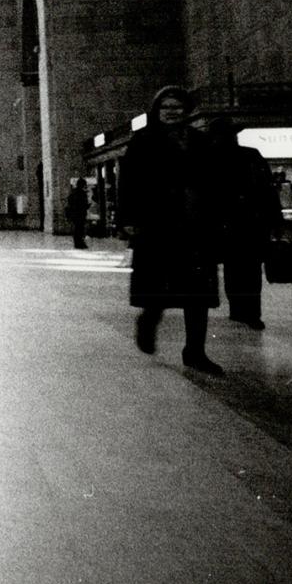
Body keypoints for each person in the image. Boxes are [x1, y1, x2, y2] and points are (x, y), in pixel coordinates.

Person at [119, 85, 225, 376]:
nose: (171, 112)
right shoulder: (143, 140)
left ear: (186, 111)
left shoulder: (200, 141)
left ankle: (195, 352)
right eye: (166, 107)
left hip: (195, 226)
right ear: (157, 110)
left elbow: (214, 181)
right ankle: (149, 320)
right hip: (158, 225)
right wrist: (128, 217)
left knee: (198, 295)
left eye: (177, 108)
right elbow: (128, 181)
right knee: (159, 287)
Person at [207, 117, 282, 329]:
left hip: (239, 225)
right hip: (247, 224)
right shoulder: (250, 156)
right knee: (247, 271)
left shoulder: (215, 158)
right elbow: (269, 191)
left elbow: (267, 190)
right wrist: (275, 221)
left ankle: (243, 311)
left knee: (238, 270)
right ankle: (248, 312)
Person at [65, 178, 91, 249]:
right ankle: (80, 243)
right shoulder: (82, 193)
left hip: (74, 214)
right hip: (80, 214)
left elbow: (69, 202)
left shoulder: (73, 192)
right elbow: (84, 204)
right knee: (80, 229)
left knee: (76, 229)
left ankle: (77, 243)